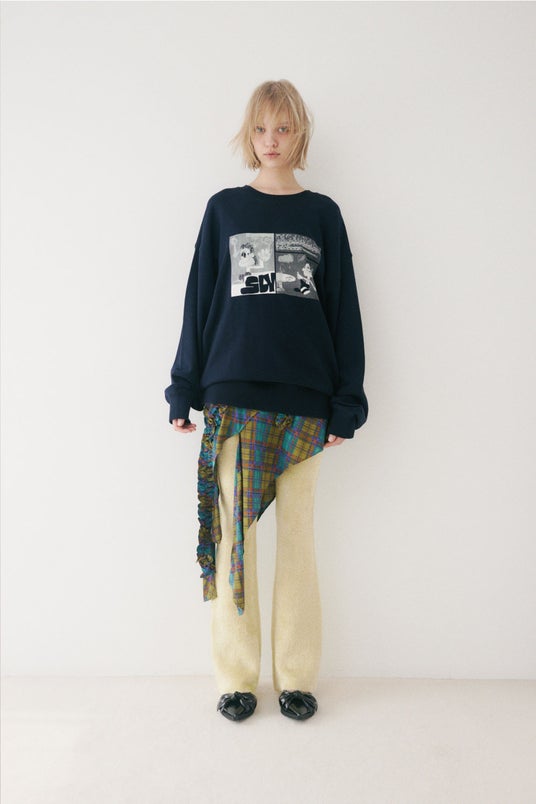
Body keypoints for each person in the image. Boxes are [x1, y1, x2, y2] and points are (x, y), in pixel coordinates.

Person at [165, 79, 368, 722]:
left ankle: (297, 678)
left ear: (299, 133)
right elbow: (200, 299)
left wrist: (347, 400)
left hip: (306, 402)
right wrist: (184, 386)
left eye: (282, 128)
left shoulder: (323, 214)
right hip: (232, 396)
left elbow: (343, 311)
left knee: (298, 540)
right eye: (260, 129)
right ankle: (236, 679)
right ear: (247, 135)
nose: (271, 141)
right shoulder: (224, 209)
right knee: (236, 540)